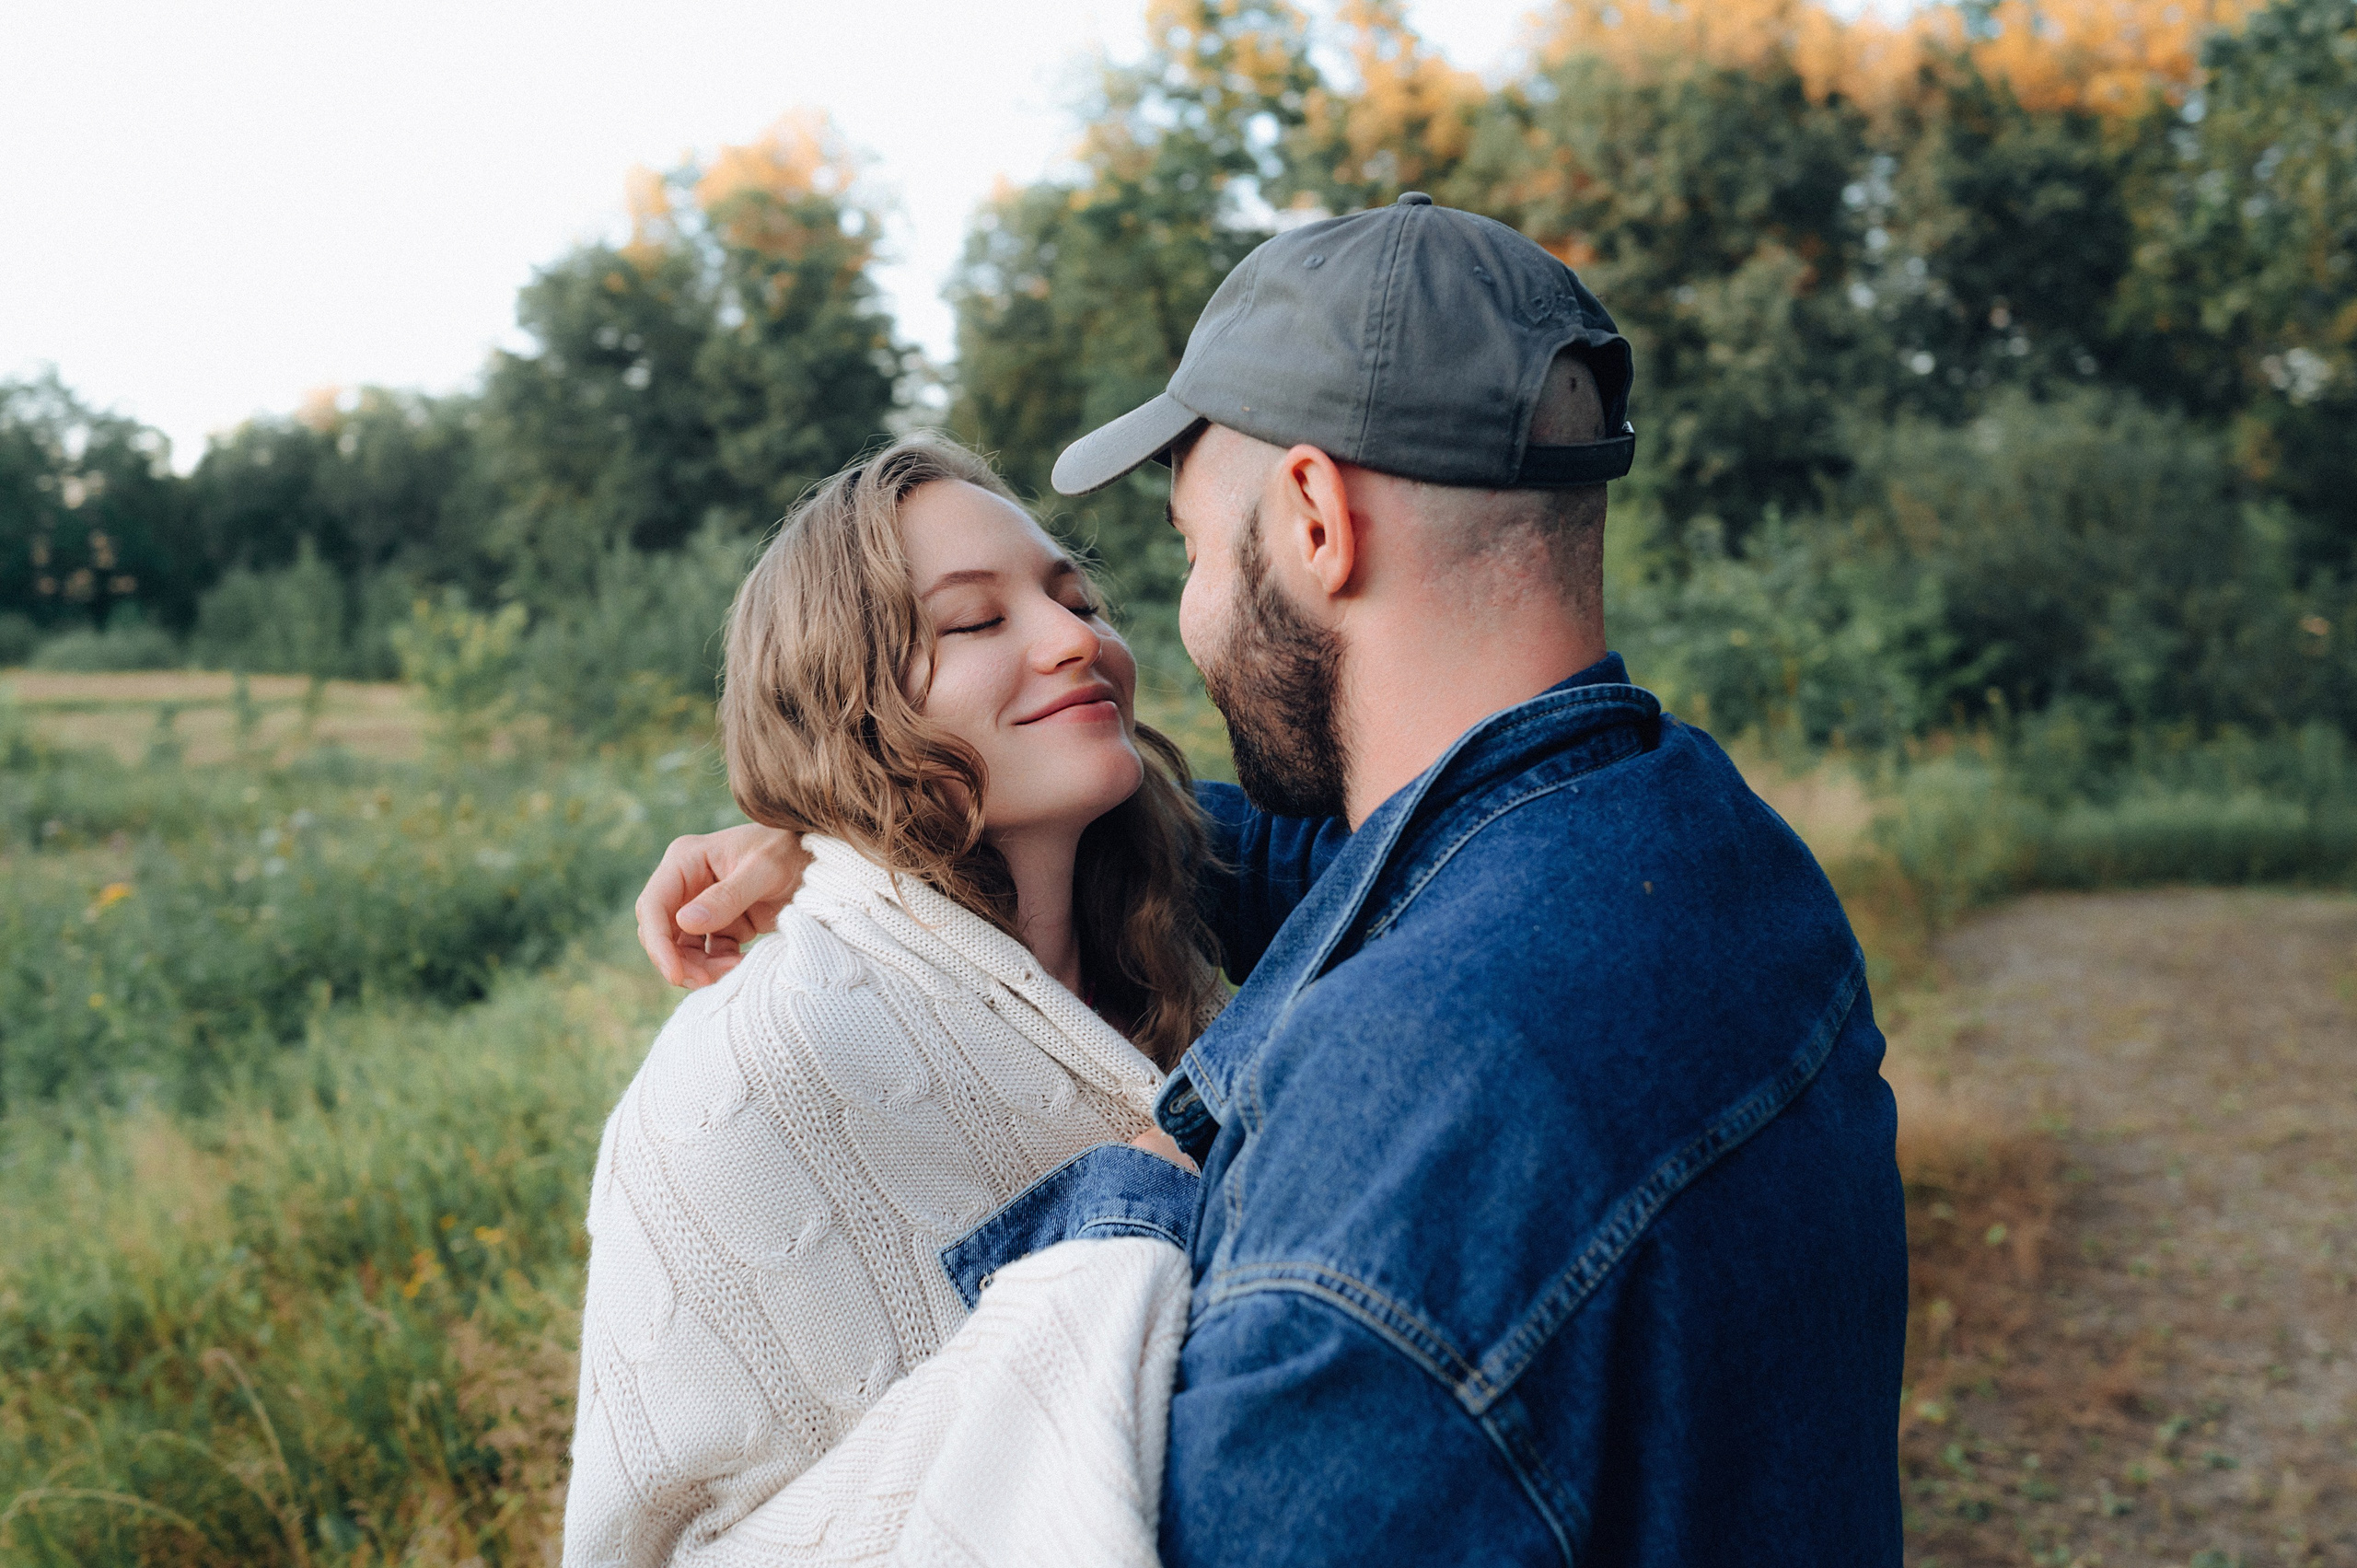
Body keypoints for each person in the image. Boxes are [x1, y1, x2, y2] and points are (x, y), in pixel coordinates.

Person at [633, 195, 1908, 1564]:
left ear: (1314, 517)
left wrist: (1133, 1197)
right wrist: (864, 824)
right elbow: (1336, 860)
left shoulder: (1398, 1126)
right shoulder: (1701, 840)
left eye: (1184, 552)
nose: (1141, 626)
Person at [565, 435, 1233, 1567]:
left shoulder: (1178, 941)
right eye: (975, 621)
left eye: (1075, 598)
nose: (1076, 639)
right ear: (849, 708)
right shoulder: (752, 1076)